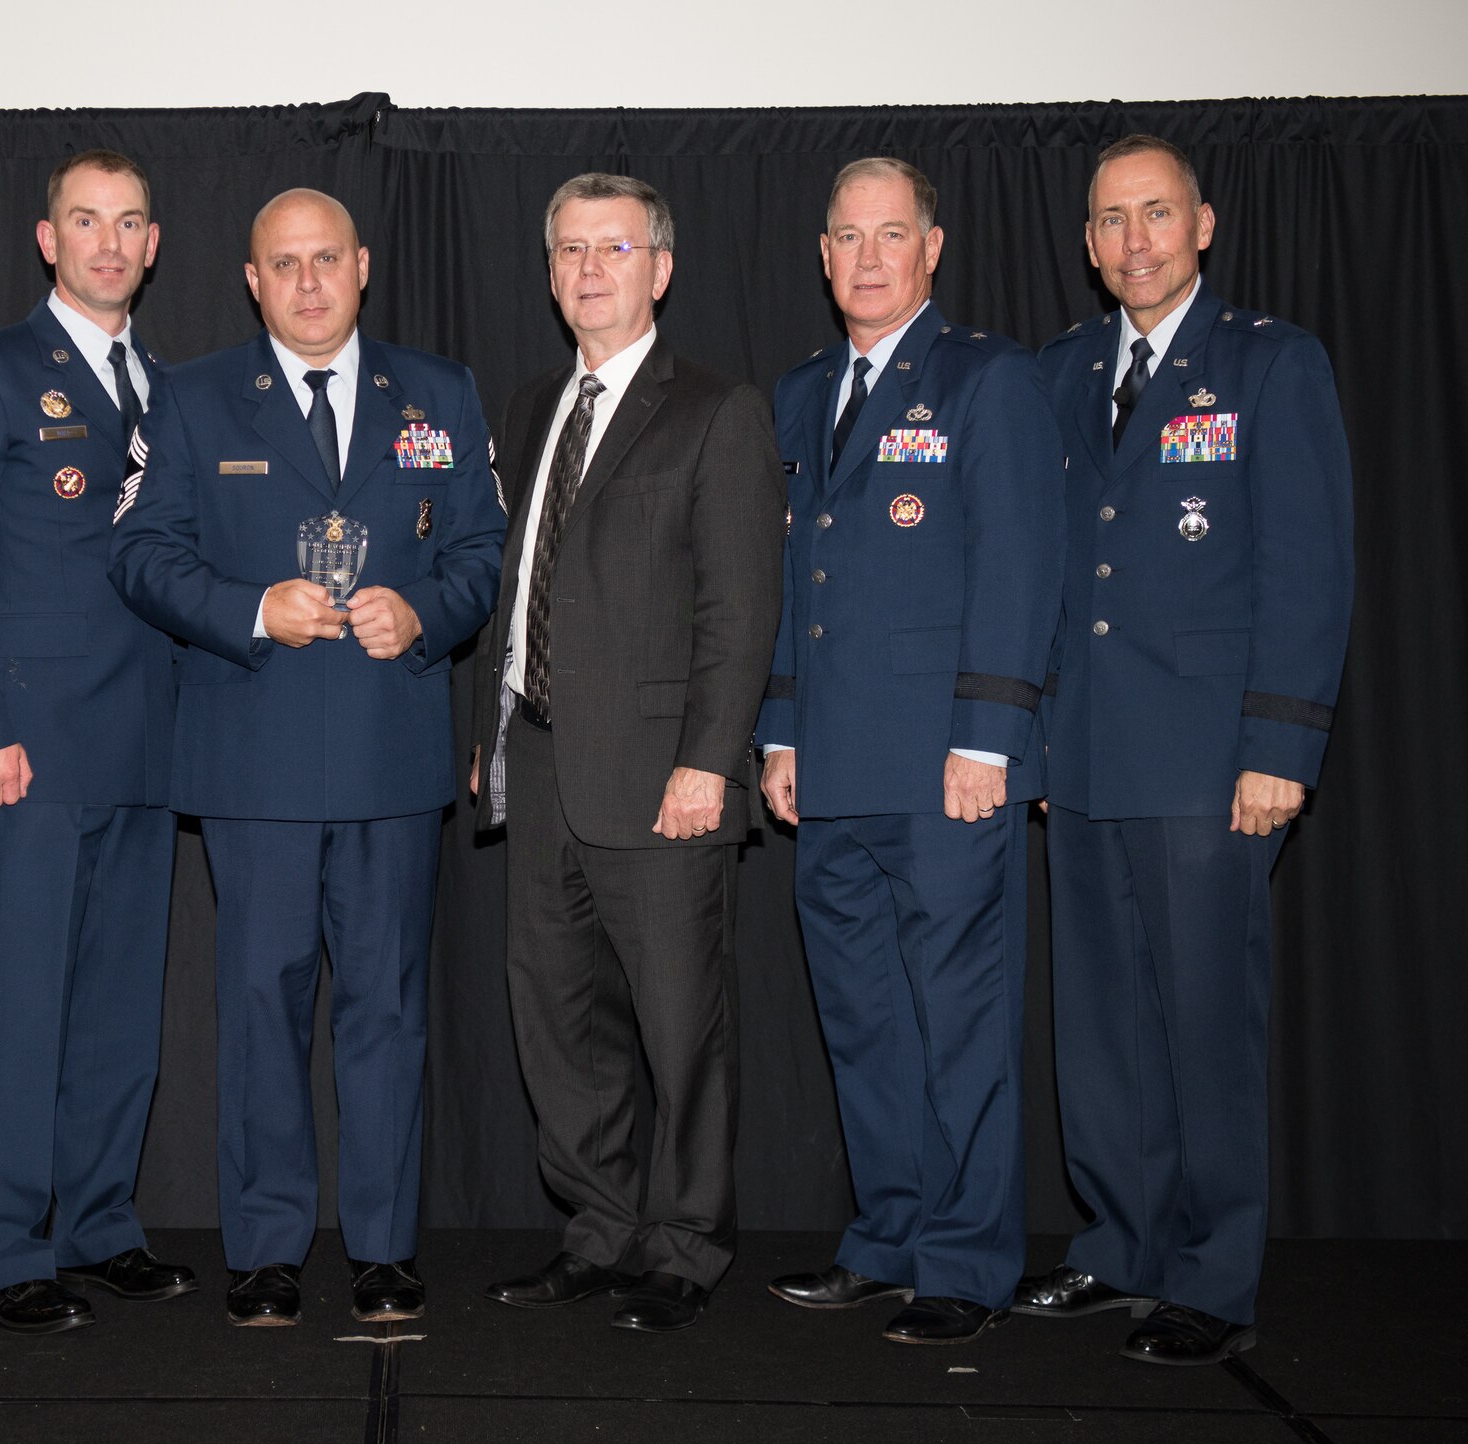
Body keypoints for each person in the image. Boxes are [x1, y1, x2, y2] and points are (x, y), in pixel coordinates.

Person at [108, 188, 504, 1327]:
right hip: (254, 758)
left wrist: (423, 610)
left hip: (389, 753)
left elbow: (483, 549)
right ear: (250, 277)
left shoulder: (436, 392)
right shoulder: (187, 400)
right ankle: (268, 1247)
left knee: (385, 1006)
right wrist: (246, 607)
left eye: (325, 258)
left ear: (362, 264)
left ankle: (381, 1247)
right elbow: (137, 553)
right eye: (283, 264)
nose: (309, 282)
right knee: (259, 1004)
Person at [1018, 135, 1353, 1366]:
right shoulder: (1057, 373)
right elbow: (1044, 569)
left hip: (1213, 759)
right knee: (1100, 1020)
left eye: (1155, 214)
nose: (1134, 240)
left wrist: (1279, 743)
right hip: (1087, 750)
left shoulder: (1268, 363)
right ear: (1090, 242)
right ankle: (1118, 1241)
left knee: (1206, 1020)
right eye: (1110, 220)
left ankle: (1212, 1272)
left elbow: (1307, 571)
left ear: (1200, 225)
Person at [470, 172, 785, 1334]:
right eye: (567, 249)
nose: (587, 268)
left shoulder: (715, 409)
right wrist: (486, 732)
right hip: (540, 762)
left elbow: (739, 606)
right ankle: (597, 1229)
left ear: (659, 267)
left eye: (612, 247)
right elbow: (515, 589)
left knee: (676, 1026)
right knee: (558, 1022)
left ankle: (685, 1244)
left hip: (663, 776)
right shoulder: (527, 406)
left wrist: (710, 759)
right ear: (549, 270)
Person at [757, 157, 1064, 1346]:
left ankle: (966, 1258)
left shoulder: (989, 380)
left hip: (947, 766)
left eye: (892, 234)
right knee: (863, 1018)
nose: (869, 257)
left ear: (930, 248)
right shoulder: (796, 394)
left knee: (958, 1021)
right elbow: (789, 579)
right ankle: (885, 1235)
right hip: (827, 766)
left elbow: (1018, 563)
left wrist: (988, 737)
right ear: (822, 255)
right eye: (847, 236)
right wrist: (776, 730)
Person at [0, 150, 193, 1335]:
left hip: (147, 737)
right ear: (46, 238)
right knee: (26, 1000)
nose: (109, 243)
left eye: (129, 222)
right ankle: (3, 1243)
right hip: (31, 741)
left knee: (121, 999)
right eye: (86, 221)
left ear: (154, 242)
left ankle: (99, 1222)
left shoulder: (169, 386)